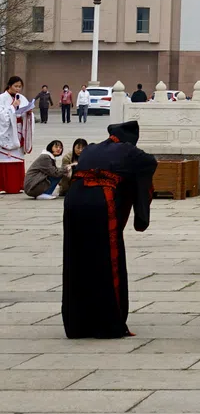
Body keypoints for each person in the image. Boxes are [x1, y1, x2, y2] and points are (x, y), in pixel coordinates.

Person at [62, 120, 157, 338]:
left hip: (73, 201)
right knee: (107, 259)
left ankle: (78, 323)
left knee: (77, 258)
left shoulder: (91, 148)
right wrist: (140, 210)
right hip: (100, 203)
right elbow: (150, 164)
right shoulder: (129, 151)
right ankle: (107, 322)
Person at [1, 76, 35, 194]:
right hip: (7, 133)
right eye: (16, 86)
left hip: (19, 132)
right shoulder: (1, 98)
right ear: (9, 86)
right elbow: (2, 117)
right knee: (5, 160)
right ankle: (4, 186)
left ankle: (18, 185)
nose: (18, 89)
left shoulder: (22, 98)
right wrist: (12, 107)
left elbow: (25, 113)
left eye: (20, 86)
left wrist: (29, 113)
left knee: (18, 159)